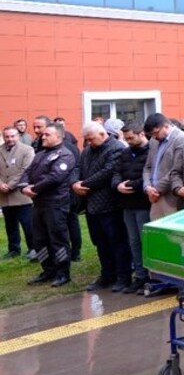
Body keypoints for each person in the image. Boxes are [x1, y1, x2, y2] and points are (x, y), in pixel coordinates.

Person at [20, 122, 78, 287]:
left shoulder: (65, 155)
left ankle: (62, 273)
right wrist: (24, 187)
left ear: (58, 137)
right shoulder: (39, 154)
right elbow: (27, 172)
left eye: (47, 134)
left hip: (56, 205)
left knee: (58, 240)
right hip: (38, 205)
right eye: (42, 134)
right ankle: (48, 270)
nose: (42, 136)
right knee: (39, 240)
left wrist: (34, 188)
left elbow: (55, 177)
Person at [73, 121, 128, 292]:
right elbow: (77, 167)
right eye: (86, 140)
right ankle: (107, 274)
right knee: (100, 242)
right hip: (91, 204)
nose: (88, 143)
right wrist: (74, 183)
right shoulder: (88, 150)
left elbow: (107, 172)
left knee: (117, 242)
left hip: (110, 204)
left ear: (103, 135)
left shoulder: (116, 148)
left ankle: (123, 276)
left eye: (91, 139)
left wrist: (84, 184)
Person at [114, 122, 152, 293]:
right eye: (126, 138)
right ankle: (140, 275)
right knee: (134, 241)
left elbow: (150, 175)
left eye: (131, 138)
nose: (128, 141)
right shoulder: (125, 152)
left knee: (145, 241)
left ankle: (151, 276)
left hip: (143, 202)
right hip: (127, 204)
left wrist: (131, 185)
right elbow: (116, 172)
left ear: (141, 134)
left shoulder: (151, 151)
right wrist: (117, 185)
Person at [142, 113, 184, 220]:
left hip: (171, 197)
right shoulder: (153, 140)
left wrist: (155, 190)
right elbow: (148, 167)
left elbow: (177, 170)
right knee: (156, 233)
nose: (154, 137)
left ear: (166, 126)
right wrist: (147, 188)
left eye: (156, 133)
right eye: (151, 134)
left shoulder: (182, 139)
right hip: (154, 197)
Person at [1, 126, 35, 259]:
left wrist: (9, 185)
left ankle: (33, 248)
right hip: (4, 195)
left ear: (18, 136)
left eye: (12, 136)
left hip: (21, 194)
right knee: (10, 225)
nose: (9, 139)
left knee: (28, 224)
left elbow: (25, 170)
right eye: (7, 136)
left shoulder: (27, 150)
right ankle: (14, 249)